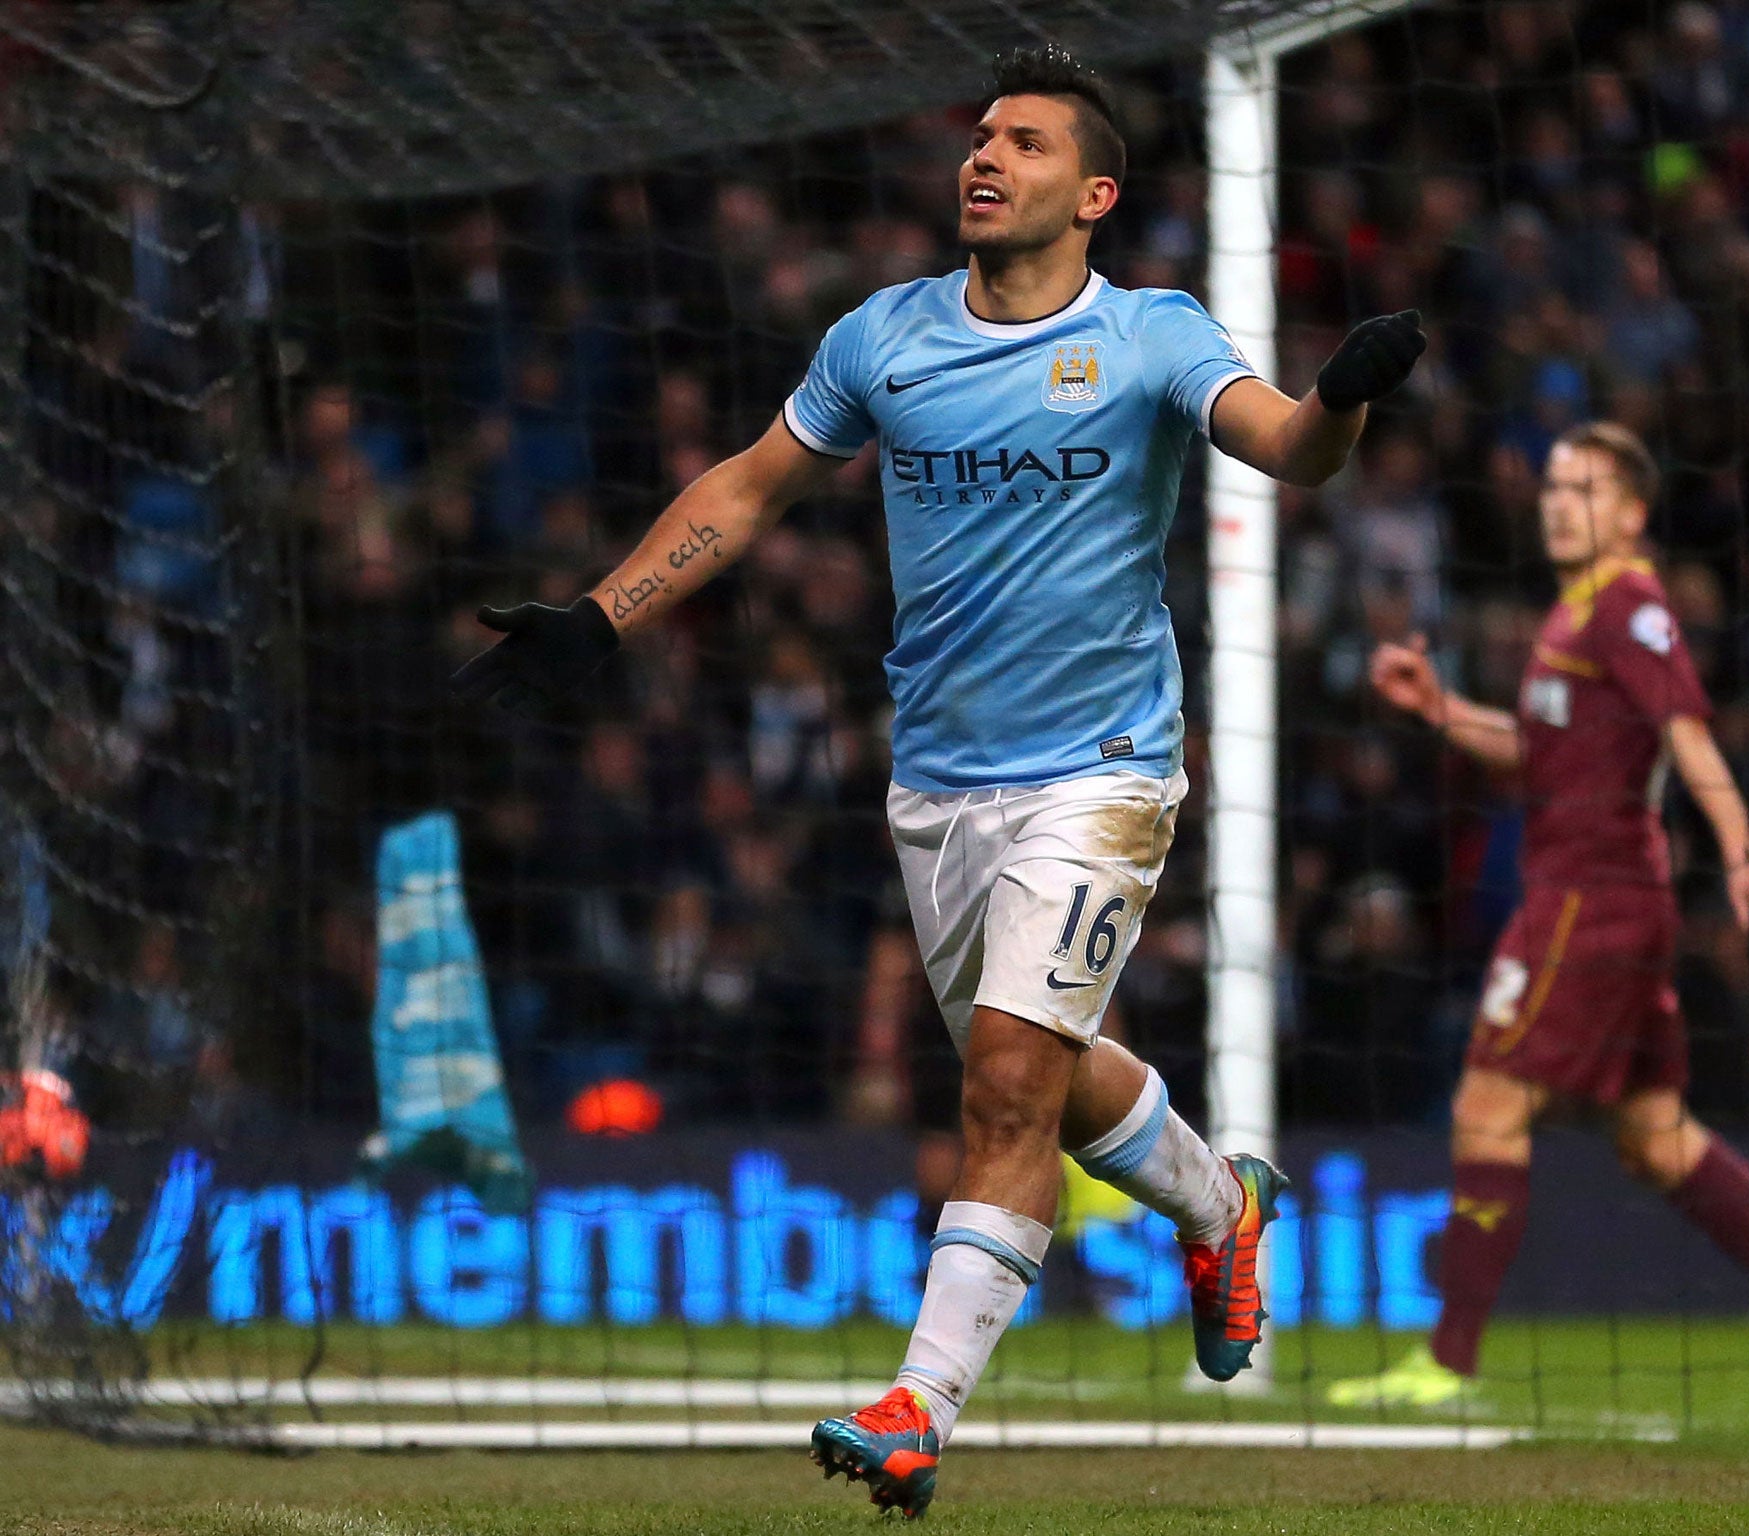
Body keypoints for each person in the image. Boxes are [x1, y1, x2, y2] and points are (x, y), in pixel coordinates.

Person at [452, 45, 1425, 1513]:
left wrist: (1341, 398)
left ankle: (920, 1404)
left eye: (1024, 143)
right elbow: (749, 486)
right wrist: (604, 614)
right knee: (1042, 1071)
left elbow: (1291, 449)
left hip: (1102, 773)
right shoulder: (885, 337)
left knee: (1007, 1083)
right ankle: (1221, 1210)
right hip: (940, 784)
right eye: (980, 137)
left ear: (1092, 192)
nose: (985, 157)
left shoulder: (1153, 336)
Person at [1332, 421, 1749, 1409]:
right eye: (1552, 483)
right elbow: (1537, 751)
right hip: (1596, 905)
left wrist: (1743, 852)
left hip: (1584, 906)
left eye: (1584, 489)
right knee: (1652, 1136)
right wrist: (1441, 711)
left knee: (1487, 1105)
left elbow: (1686, 735)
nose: (1558, 502)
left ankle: (1448, 1363)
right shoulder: (1570, 616)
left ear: (1630, 514)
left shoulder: (1629, 605)